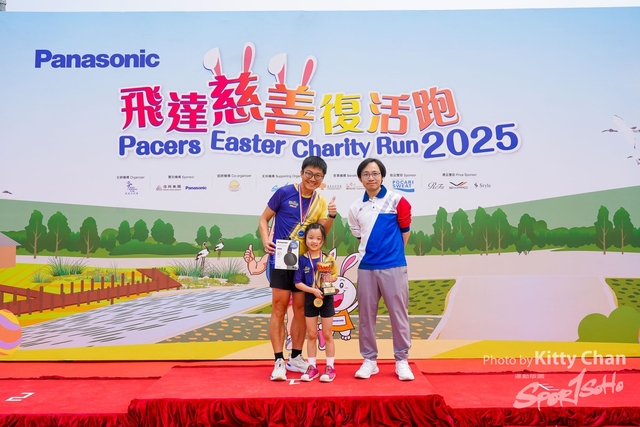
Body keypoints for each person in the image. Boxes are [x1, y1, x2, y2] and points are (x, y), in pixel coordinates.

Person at [259, 156, 337, 381]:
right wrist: (265, 239)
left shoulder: (320, 201)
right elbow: (263, 219)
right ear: (301, 173)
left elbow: (321, 232)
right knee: (279, 308)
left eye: (318, 176)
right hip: (283, 256)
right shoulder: (284, 193)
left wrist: (331, 215)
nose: (312, 179)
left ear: (322, 179)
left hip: (304, 261)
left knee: (301, 310)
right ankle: (278, 361)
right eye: (309, 173)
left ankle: (295, 357)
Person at [347, 158, 414, 381]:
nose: (371, 178)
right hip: (366, 267)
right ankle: (369, 360)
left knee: (398, 314)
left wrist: (392, 254)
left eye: (375, 173)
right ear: (360, 179)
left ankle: (402, 360)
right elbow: (360, 236)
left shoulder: (397, 200)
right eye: (366, 174)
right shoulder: (355, 207)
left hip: (393, 265)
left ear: (382, 176)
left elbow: (405, 232)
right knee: (366, 316)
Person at [294, 223, 339, 382]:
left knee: (327, 334)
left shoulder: (328, 259)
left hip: (326, 298)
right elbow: (297, 283)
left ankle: (330, 367)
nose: (314, 241)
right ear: (305, 239)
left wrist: (331, 278)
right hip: (310, 298)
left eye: (318, 238)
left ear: (323, 240)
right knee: (312, 334)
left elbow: (334, 276)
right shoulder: (302, 260)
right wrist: (313, 290)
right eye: (311, 237)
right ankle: (312, 367)